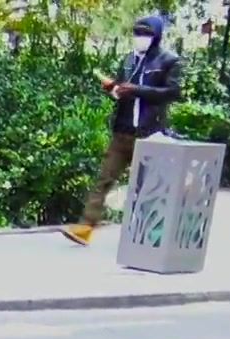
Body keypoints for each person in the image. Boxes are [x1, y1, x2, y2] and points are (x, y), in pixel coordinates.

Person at [63, 14, 183, 246]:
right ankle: (85, 228)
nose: (140, 37)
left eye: (146, 34)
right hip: (123, 131)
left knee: (148, 187)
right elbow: (121, 90)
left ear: (157, 36)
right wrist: (113, 89)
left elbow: (173, 92)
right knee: (104, 179)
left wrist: (136, 89)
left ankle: (149, 235)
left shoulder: (168, 60)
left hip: (149, 133)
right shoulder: (129, 60)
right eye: (137, 33)